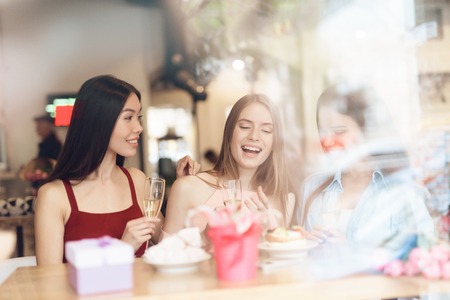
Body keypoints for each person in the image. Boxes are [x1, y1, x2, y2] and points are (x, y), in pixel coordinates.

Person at [34, 75, 199, 266]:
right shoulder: (54, 196)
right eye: (128, 117)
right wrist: (122, 249)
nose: (139, 127)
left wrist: (182, 189)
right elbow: (49, 285)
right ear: (98, 121)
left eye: (138, 117)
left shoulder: (137, 181)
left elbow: (171, 248)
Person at [294, 83, 434, 250]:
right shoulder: (311, 188)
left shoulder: (403, 192)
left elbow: (425, 256)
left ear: (367, 131)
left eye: (339, 131)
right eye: (323, 132)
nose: (329, 141)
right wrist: (304, 244)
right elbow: (295, 259)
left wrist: (355, 252)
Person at [163, 94, 295, 235]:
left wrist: (266, 237)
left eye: (266, 130)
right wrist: (205, 238)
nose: (254, 136)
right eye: (245, 127)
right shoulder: (187, 187)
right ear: (229, 132)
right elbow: (164, 255)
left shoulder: (285, 199)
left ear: (276, 142)